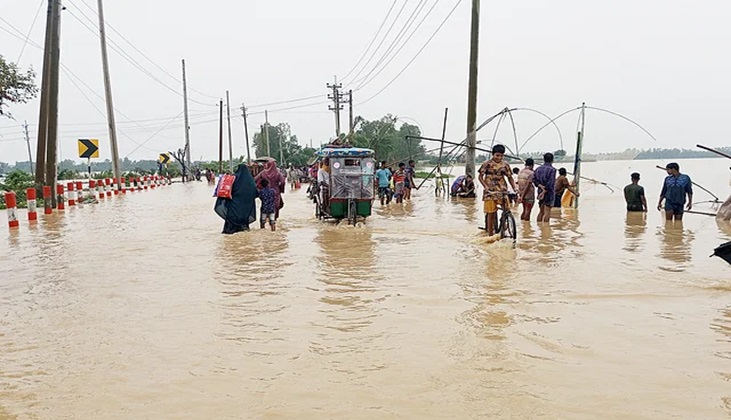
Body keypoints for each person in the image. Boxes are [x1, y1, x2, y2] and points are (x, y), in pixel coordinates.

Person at [478, 144, 517, 236]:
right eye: (497, 155)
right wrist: (485, 186)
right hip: (490, 191)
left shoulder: (505, 165)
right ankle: (490, 234)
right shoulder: (486, 164)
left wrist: (515, 188)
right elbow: (480, 177)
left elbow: (510, 177)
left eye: (501, 155)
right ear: (493, 154)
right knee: (491, 212)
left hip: (502, 189)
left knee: (506, 209)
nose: (499, 157)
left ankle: (504, 227)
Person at [214, 164, 257, 234]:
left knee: (229, 234)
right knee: (244, 235)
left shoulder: (233, 179)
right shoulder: (251, 181)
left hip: (233, 210)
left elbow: (226, 190)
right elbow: (255, 193)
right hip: (245, 212)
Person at [533, 152, 556, 223]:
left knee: (541, 211)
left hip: (540, 192)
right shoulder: (552, 170)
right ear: (552, 160)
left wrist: (540, 186)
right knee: (547, 212)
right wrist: (544, 190)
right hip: (548, 193)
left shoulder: (537, 169)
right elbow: (551, 183)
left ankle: (539, 227)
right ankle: (545, 230)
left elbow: (534, 180)